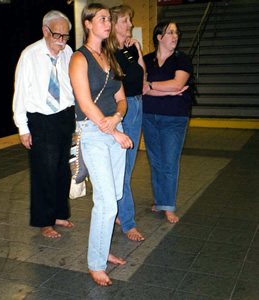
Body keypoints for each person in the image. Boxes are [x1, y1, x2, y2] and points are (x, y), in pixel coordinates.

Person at [69, 3, 133, 286]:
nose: (108, 23)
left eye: (109, 19)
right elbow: (83, 103)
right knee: (107, 201)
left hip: (112, 128)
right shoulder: (79, 59)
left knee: (113, 196)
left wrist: (117, 118)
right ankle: (95, 263)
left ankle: (101, 250)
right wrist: (111, 129)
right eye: (103, 19)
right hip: (93, 132)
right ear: (88, 24)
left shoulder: (109, 56)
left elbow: (122, 97)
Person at [12, 10, 75, 238]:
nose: (62, 41)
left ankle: (59, 213)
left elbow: (72, 85)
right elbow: (20, 93)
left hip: (65, 116)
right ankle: (44, 221)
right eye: (57, 35)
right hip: (41, 119)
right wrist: (23, 127)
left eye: (66, 36)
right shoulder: (30, 55)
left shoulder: (68, 52)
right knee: (43, 172)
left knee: (62, 171)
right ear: (45, 31)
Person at [142, 21, 192, 223]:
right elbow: (141, 88)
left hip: (174, 117)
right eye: (170, 32)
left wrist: (154, 85)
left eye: (176, 33)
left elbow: (178, 83)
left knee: (169, 162)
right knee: (155, 162)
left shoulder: (182, 59)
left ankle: (168, 206)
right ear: (159, 37)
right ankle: (160, 200)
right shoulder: (147, 59)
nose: (175, 36)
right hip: (149, 116)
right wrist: (170, 90)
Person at [108, 5, 145, 241]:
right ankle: (128, 222)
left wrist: (139, 51)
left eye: (129, 20)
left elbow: (143, 77)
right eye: (125, 21)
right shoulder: (107, 53)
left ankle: (119, 213)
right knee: (124, 169)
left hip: (138, 105)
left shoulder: (130, 50)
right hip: (123, 108)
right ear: (112, 25)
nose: (130, 25)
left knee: (125, 168)